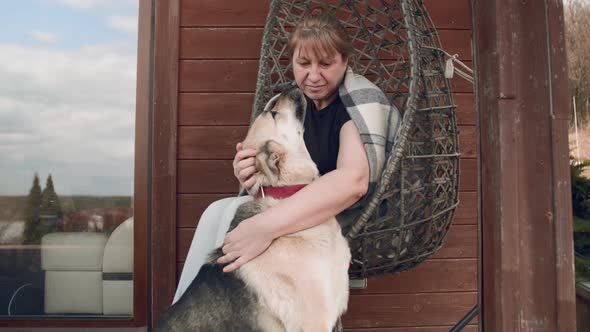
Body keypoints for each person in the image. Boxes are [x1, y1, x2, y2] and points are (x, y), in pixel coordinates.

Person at [173, 8, 398, 304]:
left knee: (237, 220)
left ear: (345, 62)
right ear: (292, 61)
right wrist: (247, 172)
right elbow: (268, 170)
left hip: (340, 214)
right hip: (289, 203)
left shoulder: (356, 104)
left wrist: (264, 226)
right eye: (303, 63)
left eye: (326, 64)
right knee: (219, 210)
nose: (313, 76)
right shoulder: (291, 104)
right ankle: (184, 311)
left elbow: (353, 181)